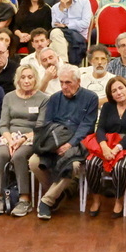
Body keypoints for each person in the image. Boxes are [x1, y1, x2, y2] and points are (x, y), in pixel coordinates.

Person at [33, 64, 99, 219]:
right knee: (33, 162)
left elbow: (87, 126)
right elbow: (47, 124)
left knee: (72, 165)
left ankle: (47, 201)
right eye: (61, 82)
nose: (64, 86)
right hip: (55, 141)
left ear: (78, 82)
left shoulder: (91, 98)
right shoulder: (55, 98)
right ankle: (58, 192)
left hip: (78, 143)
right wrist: (54, 145)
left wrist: (69, 144)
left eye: (68, 82)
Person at [0, 63, 49, 216]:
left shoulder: (43, 98)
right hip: (10, 136)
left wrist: (23, 139)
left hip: (31, 137)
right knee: (2, 154)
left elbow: (41, 127)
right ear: (18, 79)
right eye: (23, 77)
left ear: (35, 79)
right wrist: (11, 141)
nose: (26, 81)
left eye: (30, 77)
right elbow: (3, 125)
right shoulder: (9, 97)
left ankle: (25, 199)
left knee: (19, 156)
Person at [86, 74, 126, 217]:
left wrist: (116, 148)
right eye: (114, 91)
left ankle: (119, 201)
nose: (118, 92)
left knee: (120, 166)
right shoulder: (107, 106)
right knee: (91, 163)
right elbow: (100, 129)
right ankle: (96, 199)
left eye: (121, 88)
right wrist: (104, 147)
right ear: (110, 94)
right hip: (108, 144)